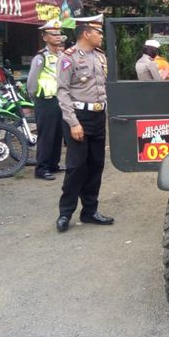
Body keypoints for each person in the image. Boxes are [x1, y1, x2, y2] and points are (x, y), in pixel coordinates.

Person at [55, 14, 114, 232]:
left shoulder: (100, 57)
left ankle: (90, 211)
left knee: (95, 166)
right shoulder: (68, 58)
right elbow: (62, 92)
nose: (101, 36)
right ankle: (65, 213)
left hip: (98, 117)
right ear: (86, 33)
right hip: (78, 118)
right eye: (98, 32)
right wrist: (72, 123)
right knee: (76, 167)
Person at [27, 19, 65, 180]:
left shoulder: (62, 55)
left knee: (58, 134)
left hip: (59, 100)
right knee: (47, 135)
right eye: (53, 34)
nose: (58, 37)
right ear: (45, 37)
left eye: (59, 34)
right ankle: (41, 168)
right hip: (45, 101)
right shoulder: (41, 57)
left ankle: (53, 164)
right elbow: (32, 81)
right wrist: (34, 98)